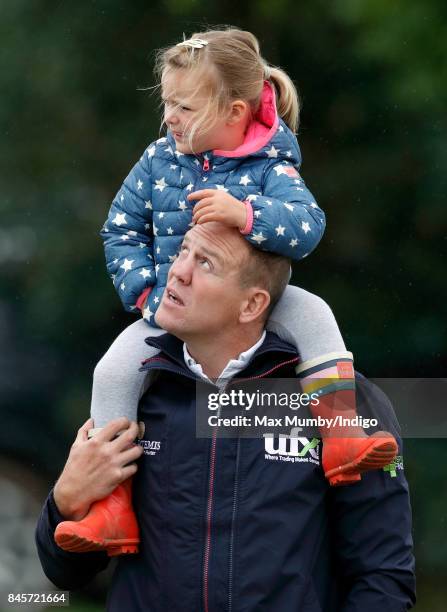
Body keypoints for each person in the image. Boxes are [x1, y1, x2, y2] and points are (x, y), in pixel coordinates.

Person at [54, 27, 397, 556]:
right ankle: (111, 505)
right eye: (168, 103)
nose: (170, 117)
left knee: (317, 313)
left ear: (236, 112)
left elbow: (308, 227)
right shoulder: (158, 158)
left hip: (262, 299)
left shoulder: (270, 165)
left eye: (185, 107)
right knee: (111, 373)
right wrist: (146, 292)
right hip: (168, 306)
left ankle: (341, 433)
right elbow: (120, 227)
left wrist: (247, 214)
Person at [35, 223, 415, 611]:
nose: (177, 271)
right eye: (182, 251)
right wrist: (64, 503)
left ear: (251, 305)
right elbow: (67, 575)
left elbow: (382, 577)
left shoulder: (344, 403)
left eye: (206, 264)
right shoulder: (137, 395)